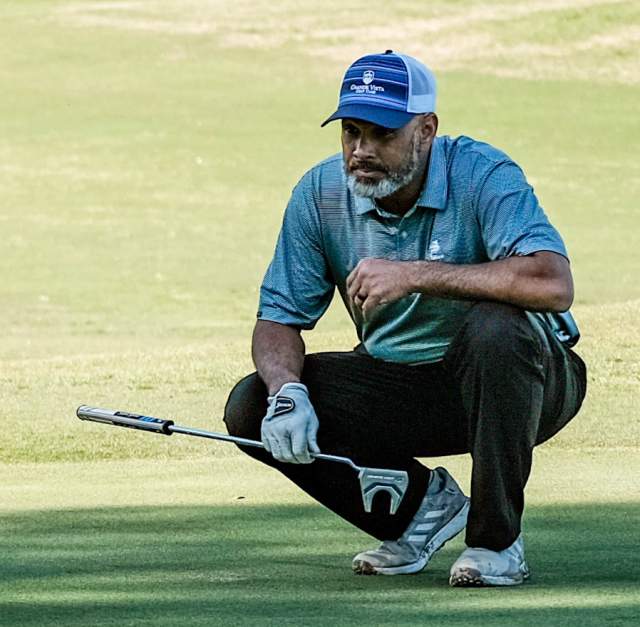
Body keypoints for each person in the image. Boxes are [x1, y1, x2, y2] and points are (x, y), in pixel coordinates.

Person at [223, 50, 587, 587]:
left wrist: (415, 274)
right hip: (403, 384)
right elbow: (278, 319)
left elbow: (552, 283)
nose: (360, 151)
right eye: (351, 132)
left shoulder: (482, 173)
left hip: (524, 382)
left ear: (426, 130)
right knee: (252, 404)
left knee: (496, 327)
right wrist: (286, 393)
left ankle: (496, 544)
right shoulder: (320, 193)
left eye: (381, 134)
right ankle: (418, 512)